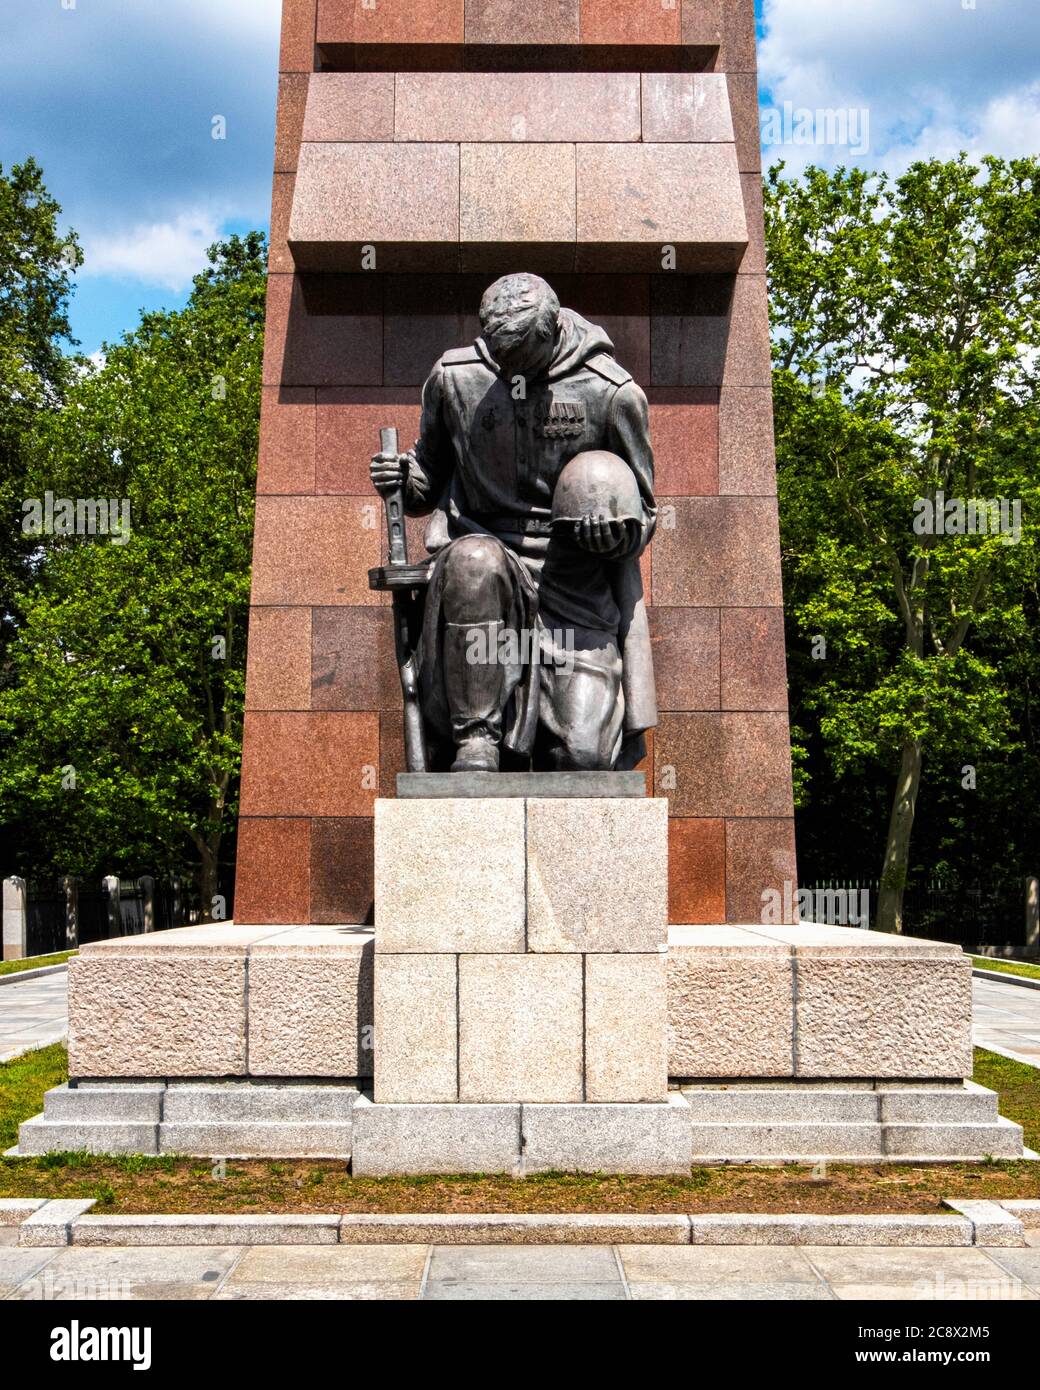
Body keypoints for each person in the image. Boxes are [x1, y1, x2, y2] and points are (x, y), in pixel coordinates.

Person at [371, 272, 657, 772]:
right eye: (503, 361)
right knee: (473, 560)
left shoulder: (612, 392)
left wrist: (616, 535)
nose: (513, 375)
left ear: (552, 334)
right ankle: (475, 737)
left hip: (572, 586)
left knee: (583, 757)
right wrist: (401, 478)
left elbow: (645, 512)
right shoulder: (454, 379)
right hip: (482, 572)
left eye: (525, 360)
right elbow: (424, 485)